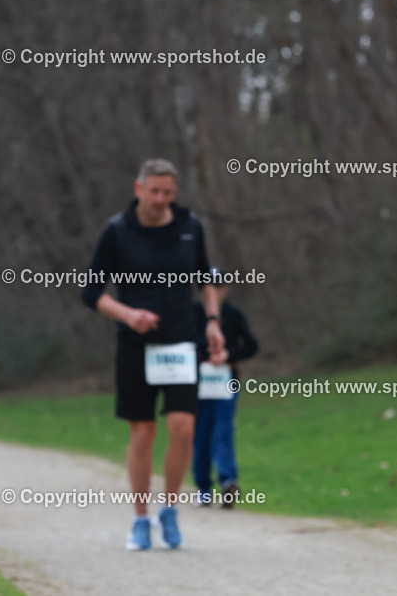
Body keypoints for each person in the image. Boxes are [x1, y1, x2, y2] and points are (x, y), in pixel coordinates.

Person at [82, 158, 227, 551]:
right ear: (138, 189)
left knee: (183, 427)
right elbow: (91, 293)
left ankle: (170, 509)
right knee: (143, 433)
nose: (161, 199)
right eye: (154, 192)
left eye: (168, 193)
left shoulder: (189, 228)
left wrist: (213, 320)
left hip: (181, 343)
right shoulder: (117, 232)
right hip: (135, 346)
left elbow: (207, 279)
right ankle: (140, 518)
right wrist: (128, 314)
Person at [192, 277, 258, 508]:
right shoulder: (191, 313)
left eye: (216, 287)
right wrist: (203, 357)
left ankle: (228, 481)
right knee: (200, 434)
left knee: (223, 431)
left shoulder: (233, 315)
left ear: (225, 289)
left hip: (225, 383)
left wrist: (227, 355)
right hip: (197, 384)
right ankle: (202, 487)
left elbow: (250, 345)